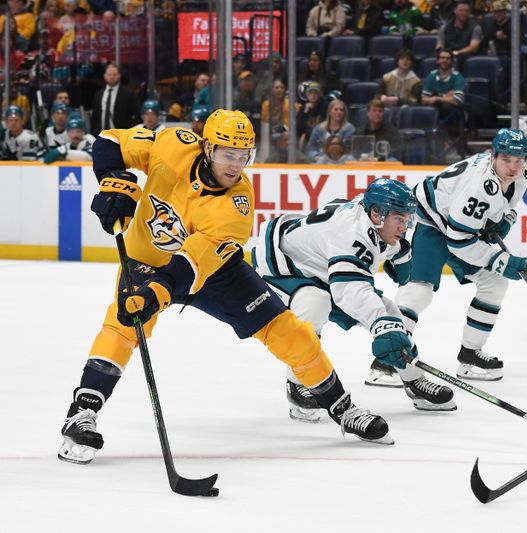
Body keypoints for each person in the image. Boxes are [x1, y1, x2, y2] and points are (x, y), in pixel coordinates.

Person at [57, 110, 393, 467]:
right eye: (226, 154)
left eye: (243, 156)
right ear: (206, 147)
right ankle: (81, 412)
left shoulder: (236, 206)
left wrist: (155, 293)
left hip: (210, 270)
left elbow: (190, 266)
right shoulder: (172, 144)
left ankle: (342, 408)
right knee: (123, 326)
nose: (235, 165)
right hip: (146, 261)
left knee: (287, 330)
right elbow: (109, 140)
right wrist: (114, 181)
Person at [252, 179, 457, 421]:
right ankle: (298, 384)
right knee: (315, 303)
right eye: (400, 219)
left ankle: (414, 379)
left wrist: (402, 257)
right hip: (282, 263)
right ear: (376, 213)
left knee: (389, 310)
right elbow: (349, 290)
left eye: (407, 219)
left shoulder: (374, 217)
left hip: (319, 263)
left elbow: (393, 244)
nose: (405, 226)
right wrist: (381, 326)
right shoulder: (351, 234)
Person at [372, 129, 527, 384]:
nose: (513, 167)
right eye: (507, 160)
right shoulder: (479, 188)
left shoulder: (520, 174)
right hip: (433, 221)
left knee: (494, 282)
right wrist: (500, 261)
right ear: (493, 156)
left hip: (458, 221)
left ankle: (470, 354)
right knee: (420, 289)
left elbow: (508, 205)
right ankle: (385, 362)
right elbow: (459, 242)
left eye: (519, 159)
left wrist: (503, 221)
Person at [421, 47, 467, 158]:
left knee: (448, 107)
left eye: (447, 58)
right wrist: (446, 96)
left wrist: (437, 98)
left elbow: (457, 100)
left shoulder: (457, 77)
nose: (444, 60)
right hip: (435, 112)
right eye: (442, 58)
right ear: (437, 60)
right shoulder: (432, 76)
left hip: (454, 112)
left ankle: (451, 141)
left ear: (451, 61)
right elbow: (424, 99)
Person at [91, 62, 139, 136]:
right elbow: (95, 117)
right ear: (104, 76)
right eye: (109, 75)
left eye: (114, 75)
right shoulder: (98, 95)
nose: (112, 77)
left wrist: (129, 132)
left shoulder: (128, 94)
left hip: (122, 136)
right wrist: (94, 132)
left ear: (119, 76)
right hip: (101, 136)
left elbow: (137, 114)